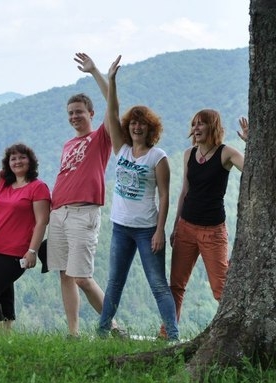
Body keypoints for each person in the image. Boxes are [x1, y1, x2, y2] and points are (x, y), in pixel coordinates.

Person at [96, 59, 179, 340]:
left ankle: (173, 335)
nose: (136, 127)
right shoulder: (121, 149)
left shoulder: (158, 157)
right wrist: (110, 79)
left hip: (147, 230)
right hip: (120, 227)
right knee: (114, 283)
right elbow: (112, 112)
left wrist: (159, 231)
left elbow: (164, 195)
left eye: (142, 123)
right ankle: (102, 332)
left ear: (150, 128)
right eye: (133, 122)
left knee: (158, 285)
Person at [47, 53, 118, 337]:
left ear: (91, 113)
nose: (74, 116)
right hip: (59, 213)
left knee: (82, 277)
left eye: (79, 111)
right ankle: (73, 332)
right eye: (70, 113)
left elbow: (113, 105)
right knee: (65, 274)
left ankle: (114, 327)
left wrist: (96, 72)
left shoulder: (101, 137)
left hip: (83, 212)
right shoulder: (68, 144)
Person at [0, 116, 51, 334]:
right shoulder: (4, 181)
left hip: (15, 253)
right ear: (8, 163)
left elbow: (42, 221)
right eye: (13, 158)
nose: (17, 161)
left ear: (30, 162)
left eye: (22, 158)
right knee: (3, 292)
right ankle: (7, 338)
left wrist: (32, 251)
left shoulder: (38, 188)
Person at [168, 111, 247, 325]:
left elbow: (251, 168)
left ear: (213, 127)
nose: (196, 128)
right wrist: (175, 226)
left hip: (213, 231)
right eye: (194, 124)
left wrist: (250, 143)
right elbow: (185, 191)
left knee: (221, 288)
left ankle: (232, 329)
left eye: (201, 124)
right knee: (176, 285)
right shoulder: (189, 154)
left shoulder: (225, 153)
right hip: (186, 227)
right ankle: (168, 333)